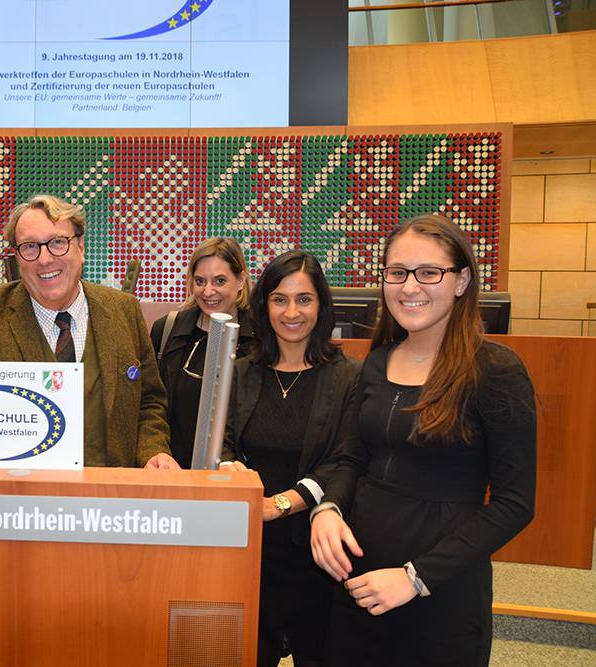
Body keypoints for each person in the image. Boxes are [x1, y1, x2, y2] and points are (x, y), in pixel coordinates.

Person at [309, 214, 536, 667]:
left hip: (439, 592)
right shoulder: (376, 361)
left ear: (461, 280)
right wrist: (328, 509)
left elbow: (515, 503)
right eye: (397, 272)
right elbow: (354, 457)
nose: (409, 287)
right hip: (358, 581)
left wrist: (415, 578)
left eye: (429, 272)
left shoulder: (496, 371)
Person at [0, 194, 177, 470]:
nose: (45, 259)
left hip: (110, 499)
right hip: (21, 505)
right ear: (17, 257)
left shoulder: (123, 309)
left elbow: (149, 401)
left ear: (81, 247)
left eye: (58, 243)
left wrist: (154, 452)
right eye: (30, 247)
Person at [222, 250, 359, 667]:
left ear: (322, 306)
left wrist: (280, 504)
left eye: (304, 299)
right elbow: (221, 441)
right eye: (280, 299)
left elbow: (343, 459)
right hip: (249, 556)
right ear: (264, 305)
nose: (291, 312)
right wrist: (230, 468)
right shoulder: (242, 371)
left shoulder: (348, 376)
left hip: (315, 556)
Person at [149, 237, 255, 468]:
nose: (208, 291)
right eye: (200, 281)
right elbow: (151, 405)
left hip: (237, 475)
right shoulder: (166, 330)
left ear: (240, 281)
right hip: (173, 473)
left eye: (219, 280)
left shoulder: (261, 340)